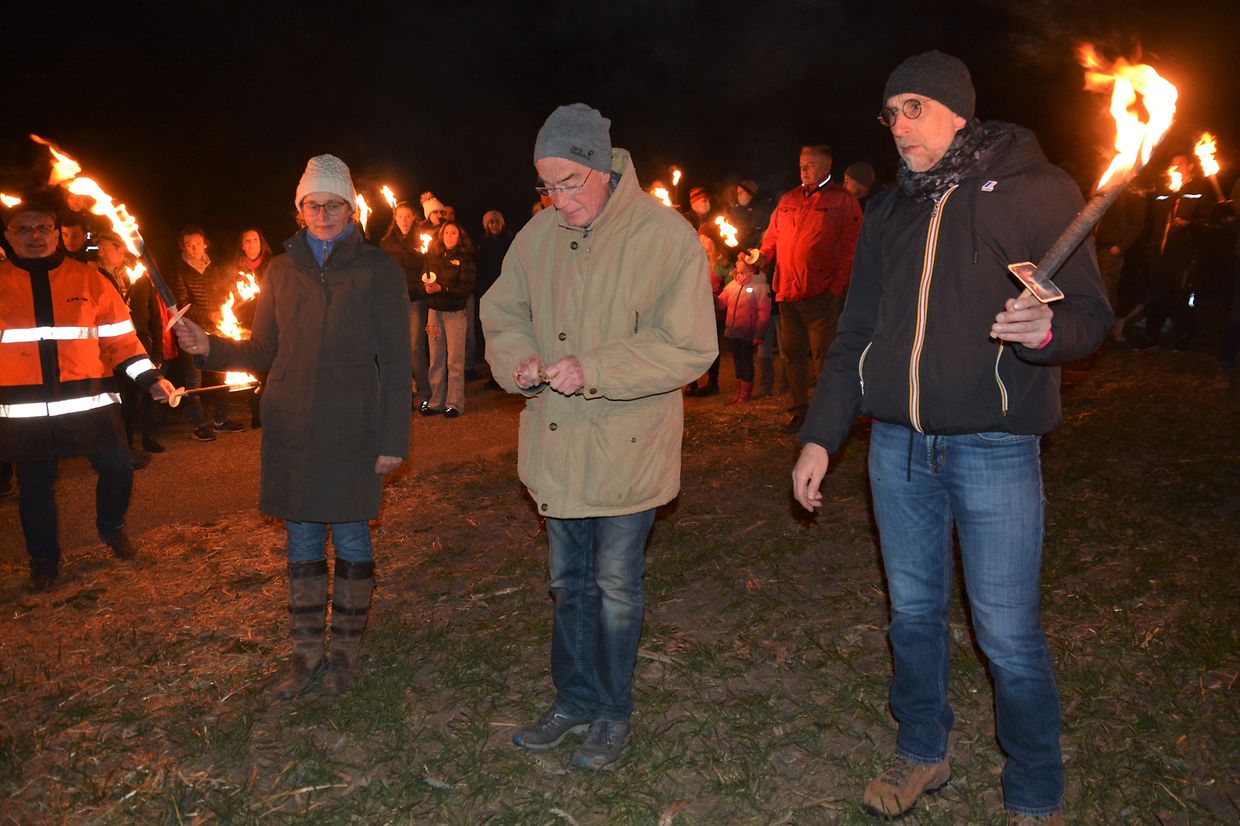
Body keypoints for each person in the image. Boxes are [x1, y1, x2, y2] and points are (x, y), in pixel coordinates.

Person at [791, 52, 1112, 824]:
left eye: (915, 108)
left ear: (958, 111)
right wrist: (820, 437)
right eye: (890, 113)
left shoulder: (1036, 191)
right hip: (898, 448)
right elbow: (857, 334)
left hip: (994, 447)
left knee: (1005, 632)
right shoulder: (890, 213)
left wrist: (1046, 331)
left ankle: (1033, 785)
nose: (899, 126)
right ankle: (922, 750)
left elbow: (1090, 315)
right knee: (912, 616)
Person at [481, 103, 716, 770]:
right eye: (545, 187)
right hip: (557, 446)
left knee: (614, 588)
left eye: (567, 184)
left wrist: (596, 369)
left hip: (626, 451)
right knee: (568, 584)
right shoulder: (538, 236)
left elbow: (690, 346)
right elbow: (502, 312)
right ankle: (573, 700)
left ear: (600, 168)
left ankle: (612, 711)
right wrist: (519, 359)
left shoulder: (665, 238)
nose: (556, 200)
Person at [173, 154, 411, 698]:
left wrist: (393, 439)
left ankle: (345, 655)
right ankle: (305, 658)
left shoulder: (378, 270)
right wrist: (210, 346)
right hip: (293, 425)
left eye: (333, 205)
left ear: (351, 208)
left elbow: (398, 365)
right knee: (301, 537)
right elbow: (262, 350)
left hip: (352, 425)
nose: (322, 215)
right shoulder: (280, 271)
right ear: (299, 209)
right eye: (312, 205)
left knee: (350, 534)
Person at [1, 201, 175, 591]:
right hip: (25, 411)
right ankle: (43, 561)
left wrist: (150, 379)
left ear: (56, 233)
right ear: (9, 236)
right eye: (23, 228)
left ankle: (112, 528)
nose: (34, 235)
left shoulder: (89, 280)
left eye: (43, 227)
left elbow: (122, 342)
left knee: (118, 467)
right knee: (35, 487)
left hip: (90, 402)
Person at [758, 143, 862, 433]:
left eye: (810, 164)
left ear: (827, 166)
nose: (804, 169)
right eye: (801, 164)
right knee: (792, 353)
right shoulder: (789, 199)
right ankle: (799, 410)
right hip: (787, 290)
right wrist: (761, 256)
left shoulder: (842, 201)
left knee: (823, 354)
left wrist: (836, 285)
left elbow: (852, 246)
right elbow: (772, 237)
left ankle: (828, 414)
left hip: (820, 292)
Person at [96, 230, 166, 465]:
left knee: (139, 397)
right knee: (120, 401)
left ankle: (142, 439)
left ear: (120, 249)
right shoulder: (95, 278)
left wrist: (157, 350)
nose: (100, 252)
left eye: (105, 247)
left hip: (139, 346)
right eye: (99, 248)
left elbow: (154, 316)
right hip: (110, 350)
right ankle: (122, 449)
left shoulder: (139, 277)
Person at [170, 226, 243, 440]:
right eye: (189, 244)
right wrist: (209, 315)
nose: (194, 248)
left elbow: (225, 295)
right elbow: (182, 305)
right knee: (194, 379)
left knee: (222, 375)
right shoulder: (179, 271)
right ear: (183, 247)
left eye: (197, 243)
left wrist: (225, 312)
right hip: (191, 332)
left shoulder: (214, 268)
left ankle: (221, 420)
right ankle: (199, 424)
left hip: (218, 329)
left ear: (205, 244)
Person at [380, 202, 432, 410]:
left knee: (415, 349)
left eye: (407, 216)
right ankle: (404, 394)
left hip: (415, 300)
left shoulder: (420, 241)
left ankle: (425, 393)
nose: (404, 220)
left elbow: (427, 268)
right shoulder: (386, 243)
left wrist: (424, 283)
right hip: (393, 302)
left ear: (413, 218)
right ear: (395, 218)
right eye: (400, 216)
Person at [423, 220, 475, 418]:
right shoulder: (433, 255)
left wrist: (443, 288)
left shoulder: (465, 258)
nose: (449, 236)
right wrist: (426, 287)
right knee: (436, 359)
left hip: (455, 313)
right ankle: (436, 401)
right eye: (446, 233)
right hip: (434, 313)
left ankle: (454, 403)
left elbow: (467, 286)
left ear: (460, 237)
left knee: (455, 360)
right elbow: (424, 277)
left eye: (454, 233)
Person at [717, 252, 771, 404]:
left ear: (750, 267)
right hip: (733, 331)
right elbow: (721, 303)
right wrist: (711, 297)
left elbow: (764, 312)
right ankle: (739, 392)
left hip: (748, 333)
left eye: (740, 261)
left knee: (746, 362)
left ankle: (745, 394)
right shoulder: (733, 284)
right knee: (737, 362)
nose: (737, 262)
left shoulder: (760, 286)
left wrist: (759, 333)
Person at [234, 227, 273, 427]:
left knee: (270, 370)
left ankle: (272, 411)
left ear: (261, 242)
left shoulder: (273, 265)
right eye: (247, 241)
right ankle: (256, 414)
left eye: (255, 240)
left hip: (270, 323)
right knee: (251, 371)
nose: (251, 244)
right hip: (245, 325)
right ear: (242, 245)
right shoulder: (235, 269)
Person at [475, 210, 513, 388]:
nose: (494, 225)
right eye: (491, 222)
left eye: (497, 221)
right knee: (491, 336)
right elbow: (480, 270)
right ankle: (495, 374)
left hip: (506, 293)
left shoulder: (511, 241)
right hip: (488, 293)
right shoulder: (482, 245)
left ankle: (509, 373)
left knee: (507, 335)